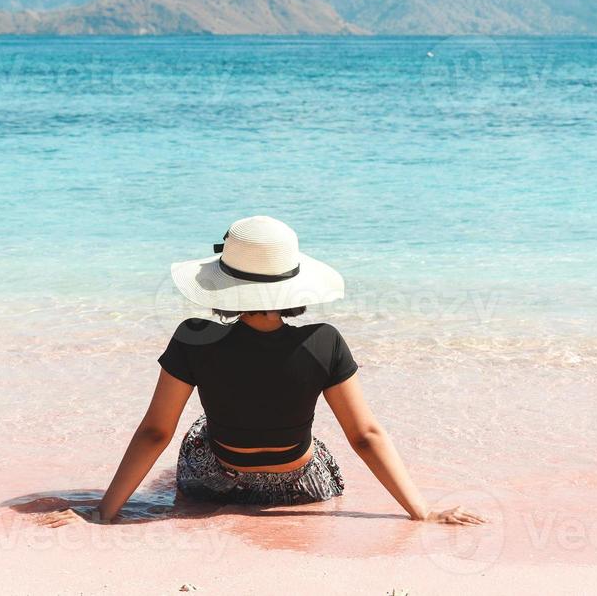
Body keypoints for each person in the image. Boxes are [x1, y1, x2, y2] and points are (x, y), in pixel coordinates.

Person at [45, 215, 486, 526]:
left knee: (200, 425)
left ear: (224, 280)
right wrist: (422, 512)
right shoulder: (324, 340)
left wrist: (105, 512)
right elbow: (365, 436)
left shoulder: (194, 335)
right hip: (301, 487)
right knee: (308, 431)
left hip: (213, 482)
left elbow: (155, 432)